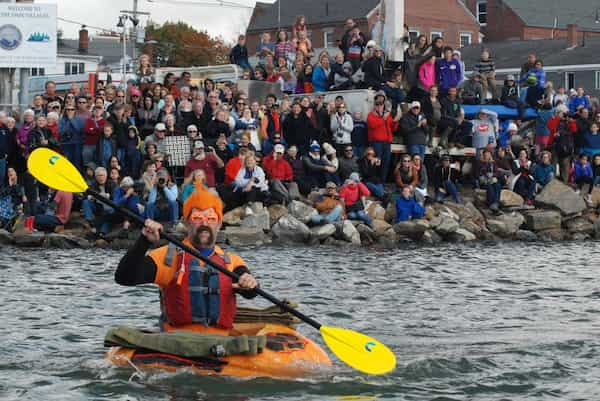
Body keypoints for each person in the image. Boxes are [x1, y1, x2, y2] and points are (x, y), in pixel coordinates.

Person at [115, 183, 258, 333]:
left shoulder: (232, 262)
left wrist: (250, 284)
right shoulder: (167, 257)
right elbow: (124, 277)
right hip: (178, 343)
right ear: (187, 222)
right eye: (197, 217)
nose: (204, 223)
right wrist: (144, 241)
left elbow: (251, 292)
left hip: (221, 343)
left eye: (210, 218)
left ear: (219, 223)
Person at [367, 95, 399, 182]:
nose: (379, 106)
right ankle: (376, 181)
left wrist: (395, 122)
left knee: (386, 163)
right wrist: (383, 119)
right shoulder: (371, 115)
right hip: (376, 142)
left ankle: (383, 181)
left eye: (381, 104)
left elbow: (393, 128)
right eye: (377, 104)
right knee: (377, 162)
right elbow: (372, 125)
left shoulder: (386, 116)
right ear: (374, 106)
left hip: (386, 142)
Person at [82, 167, 116, 238]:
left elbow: (114, 196)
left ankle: (102, 234)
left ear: (106, 176)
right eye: (99, 176)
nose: (101, 178)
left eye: (102, 175)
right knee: (86, 202)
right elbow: (85, 195)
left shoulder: (112, 184)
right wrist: (90, 197)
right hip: (98, 206)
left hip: (109, 208)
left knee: (108, 217)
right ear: (96, 177)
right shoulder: (93, 184)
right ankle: (90, 221)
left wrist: (106, 196)